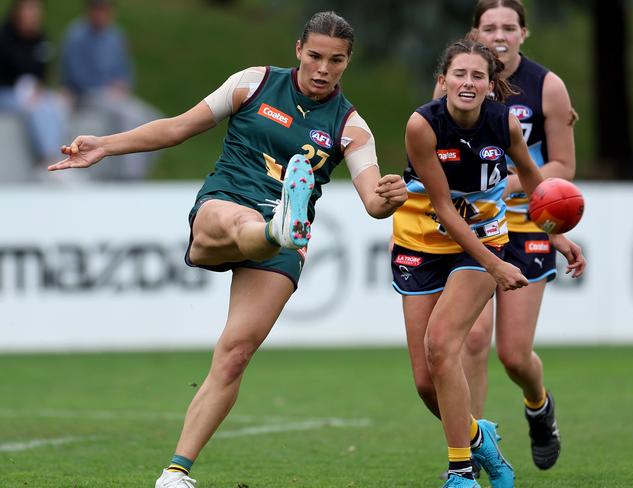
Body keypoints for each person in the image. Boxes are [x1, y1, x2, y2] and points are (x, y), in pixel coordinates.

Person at [49, 11, 408, 488]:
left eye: (336, 61)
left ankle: (175, 474)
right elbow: (177, 127)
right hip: (227, 202)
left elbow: (371, 202)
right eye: (316, 56)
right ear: (299, 50)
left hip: (283, 243)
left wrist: (389, 199)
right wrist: (105, 146)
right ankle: (276, 226)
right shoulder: (252, 83)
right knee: (242, 222)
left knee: (235, 353)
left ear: (347, 62)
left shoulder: (351, 128)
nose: (324, 68)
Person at [391, 38, 585, 488]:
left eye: (478, 75)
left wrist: (555, 234)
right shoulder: (422, 125)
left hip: (481, 240)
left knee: (443, 345)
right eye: (459, 73)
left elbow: (537, 182)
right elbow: (442, 207)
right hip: (419, 242)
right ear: (443, 81)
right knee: (426, 382)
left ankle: (462, 472)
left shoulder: (505, 124)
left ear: (491, 86)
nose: (467, 82)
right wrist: (497, 268)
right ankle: (482, 439)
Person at [432, 0, 579, 475]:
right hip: (473, 225)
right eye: (489, 26)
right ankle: (471, 455)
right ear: (475, 31)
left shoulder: (547, 86)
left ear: (524, 33)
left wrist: (504, 186)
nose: (499, 34)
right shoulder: (459, 79)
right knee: (470, 340)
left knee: (514, 354)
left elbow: (562, 168)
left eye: (509, 27)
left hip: (525, 221)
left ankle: (539, 405)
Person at [60, 0, 161, 180]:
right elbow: (76, 76)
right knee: (131, 116)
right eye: (98, 10)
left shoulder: (115, 36)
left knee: (154, 119)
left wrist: (122, 84)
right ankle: (131, 177)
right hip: (87, 95)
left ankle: (141, 171)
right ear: (90, 11)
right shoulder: (76, 36)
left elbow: (125, 70)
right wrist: (106, 87)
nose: (102, 15)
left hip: (115, 96)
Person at [0, 0, 68, 173]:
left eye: (36, 9)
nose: (33, 14)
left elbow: (42, 73)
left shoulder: (41, 38)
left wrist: (37, 88)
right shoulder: (4, 37)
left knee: (56, 104)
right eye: (29, 9)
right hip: (6, 92)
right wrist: (22, 89)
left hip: (33, 92)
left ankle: (61, 155)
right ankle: (47, 159)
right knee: (37, 108)